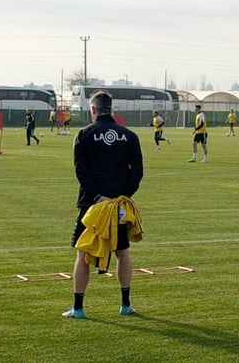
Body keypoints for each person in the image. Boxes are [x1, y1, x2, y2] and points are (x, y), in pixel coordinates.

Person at [63, 91, 143, 320]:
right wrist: (122, 197)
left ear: (93, 110)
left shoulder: (84, 135)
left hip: (91, 205)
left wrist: (98, 197)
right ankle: (125, 305)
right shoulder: (129, 136)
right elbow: (137, 173)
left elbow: (81, 171)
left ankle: (78, 308)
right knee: (123, 253)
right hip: (117, 205)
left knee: (82, 254)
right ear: (112, 109)